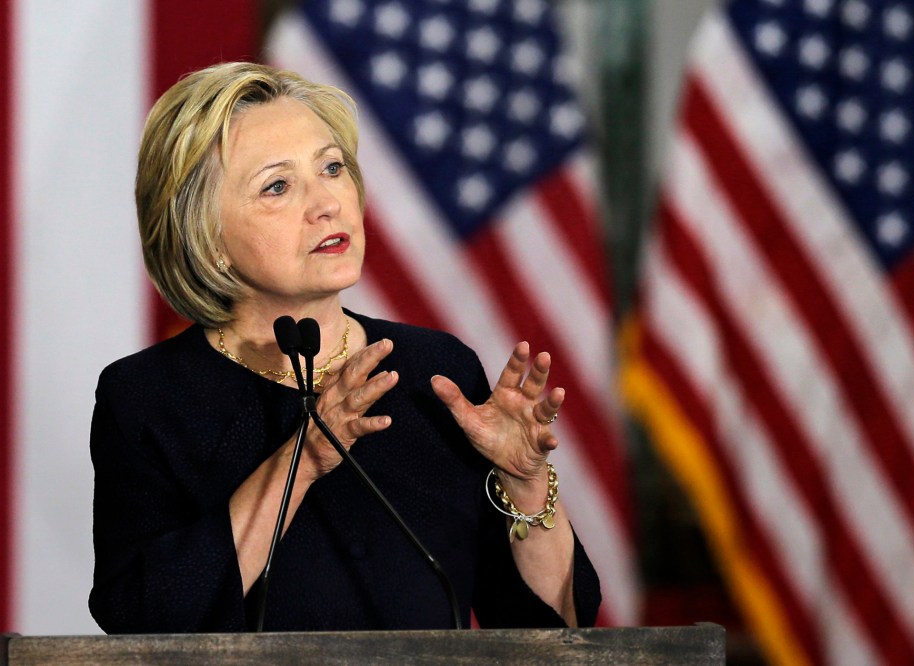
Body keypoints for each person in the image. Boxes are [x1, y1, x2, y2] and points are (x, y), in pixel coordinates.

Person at [88, 62, 601, 633]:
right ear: (208, 241)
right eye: (277, 185)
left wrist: (525, 484)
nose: (327, 202)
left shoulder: (438, 374)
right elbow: (141, 617)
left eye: (332, 168)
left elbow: (552, 629)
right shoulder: (149, 397)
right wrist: (302, 461)